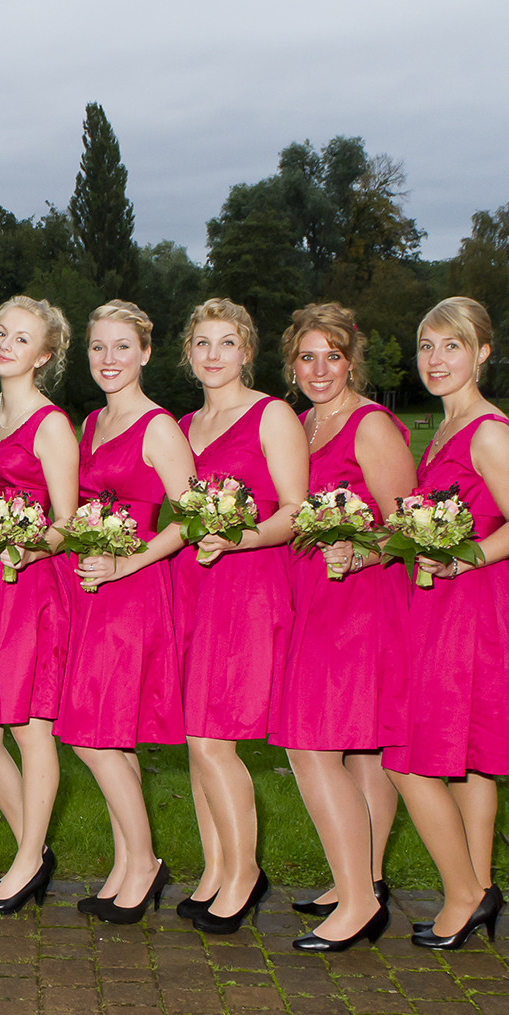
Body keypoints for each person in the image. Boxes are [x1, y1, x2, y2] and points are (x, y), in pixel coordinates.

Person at [384, 296, 509, 950]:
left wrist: (466, 558)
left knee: (406, 759)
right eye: (427, 346)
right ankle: (478, 886)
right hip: (440, 605)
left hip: (471, 609)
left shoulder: (488, 431)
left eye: (452, 345)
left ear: (482, 352)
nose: (436, 359)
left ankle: (464, 892)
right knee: (471, 759)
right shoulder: (445, 429)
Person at [269, 303, 415, 952]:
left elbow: (407, 524)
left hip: (361, 606)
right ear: (291, 364)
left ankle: (358, 902)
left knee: (313, 747)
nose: (320, 368)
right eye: (307, 356)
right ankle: (363, 879)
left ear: (353, 360)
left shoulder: (371, 426)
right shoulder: (299, 424)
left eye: (332, 355)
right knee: (357, 751)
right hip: (310, 601)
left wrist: (364, 551)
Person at [54, 301, 193, 924]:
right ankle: (123, 862)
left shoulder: (158, 426)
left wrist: (127, 562)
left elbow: (194, 520)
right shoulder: (91, 425)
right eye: (98, 348)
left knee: (90, 735)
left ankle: (145, 863)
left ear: (145, 352)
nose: (108, 360)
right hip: (93, 588)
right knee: (111, 734)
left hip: (132, 593)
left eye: (121, 348)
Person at [173, 298, 307, 935]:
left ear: (247, 352)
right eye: (203, 342)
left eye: (227, 343)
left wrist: (242, 538)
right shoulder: (180, 424)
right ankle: (216, 866)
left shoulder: (270, 415)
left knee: (211, 737)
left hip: (247, 587)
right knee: (198, 743)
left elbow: (295, 510)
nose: (213, 355)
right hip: (190, 588)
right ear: (187, 352)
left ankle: (246, 872)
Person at [0, 297, 78, 915]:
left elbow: (68, 523)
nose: (7, 344)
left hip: (34, 586)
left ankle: (28, 859)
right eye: (1, 332)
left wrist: (25, 549)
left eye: (23, 338)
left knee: (30, 731)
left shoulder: (51, 424)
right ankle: (31, 850)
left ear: (45, 354)